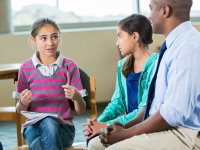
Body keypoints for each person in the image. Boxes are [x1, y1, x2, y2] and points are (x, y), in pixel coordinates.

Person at [88, 0, 200, 149]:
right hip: (163, 125)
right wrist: (121, 126)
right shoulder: (170, 47)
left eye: (151, 9)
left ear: (165, 11)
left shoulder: (189, 47)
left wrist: (126, 134)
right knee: (96, 145)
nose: (149, 16)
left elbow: (173, 114)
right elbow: (151, 105)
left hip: (184, 132)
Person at [85, 14, 158, 146]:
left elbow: (144, 110)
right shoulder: (122, 64)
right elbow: (117, 103)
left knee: (95, 144)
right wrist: (98, 122)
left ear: (135, 36)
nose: (117, 42)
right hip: (127, 124)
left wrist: (106, 125)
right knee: (92, 140)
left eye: (120, 35)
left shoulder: (156, 64)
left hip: (145, 126)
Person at [15, 18, 86, 150]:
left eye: (54, 37)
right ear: (33, 40)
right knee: (45, 130)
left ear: (59, 38)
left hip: (64, 129)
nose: (50, 43)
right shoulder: (25, 68)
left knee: (46, 130)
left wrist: (77, 97)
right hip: (33, 129)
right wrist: (23, 103)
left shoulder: (69, 66)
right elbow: (19, 110)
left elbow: (81, 110)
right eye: (43, 38)